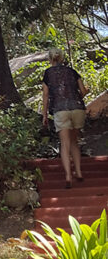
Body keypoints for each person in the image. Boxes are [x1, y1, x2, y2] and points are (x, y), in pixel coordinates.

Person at [41, 48, 89, 188]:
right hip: (77, 109)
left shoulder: (48, 74)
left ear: (50, 59)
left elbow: (45, 95)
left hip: (60, 110)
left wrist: (44, 115)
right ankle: (79, 173)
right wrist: (81, 95)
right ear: (62, 58)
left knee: (65, 143)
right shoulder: (72, 71)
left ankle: (68, 176)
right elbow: (83, 91)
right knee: (74, 141)